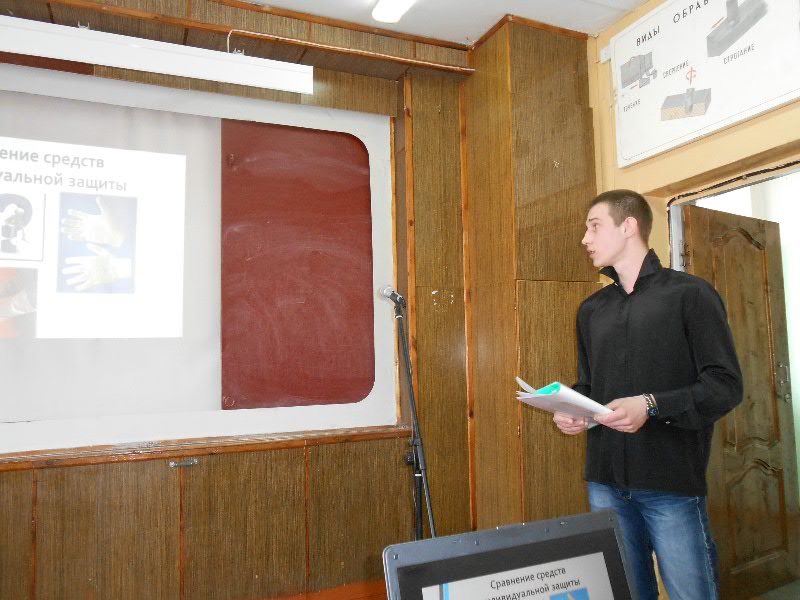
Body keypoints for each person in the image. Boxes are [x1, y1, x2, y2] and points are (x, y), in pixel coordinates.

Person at [553, 189, 742, 600]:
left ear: (628, 226)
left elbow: (724, 385)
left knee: (692, 593)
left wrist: (651, 405)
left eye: (594, 226)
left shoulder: (691, 295)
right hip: (604, 481)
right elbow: (589, 384)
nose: (585, 238)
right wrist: (573, 409)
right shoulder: (590, 310)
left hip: (669, 481)